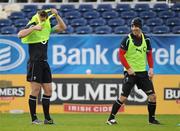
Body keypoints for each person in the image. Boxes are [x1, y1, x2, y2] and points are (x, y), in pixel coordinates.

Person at [106, 17, 160, 125]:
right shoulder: (127, 39)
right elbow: (121, 55)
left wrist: (151, 68)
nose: (134, 28)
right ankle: (110, 119)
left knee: (153, 96)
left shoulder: (147, 39)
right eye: (132, 26)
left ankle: (152, 120)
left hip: (143, 73)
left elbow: (149, 54)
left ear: (140, 27)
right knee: (123, 97)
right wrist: (128, 68)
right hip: (130, 73)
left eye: (136, 26)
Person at [18, 8, 66, 124]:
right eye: (42, 17)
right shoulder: (33, 24)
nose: (43, 19)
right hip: (34, 62)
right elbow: (20, 34)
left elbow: (62, 28)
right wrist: (34, 28)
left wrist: (56, 15)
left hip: (44, 62)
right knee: (35, 90)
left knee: (48, 90)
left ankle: (47, 118)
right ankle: (34, 119)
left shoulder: (46, 28)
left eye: (45, 18)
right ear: (38, 17)